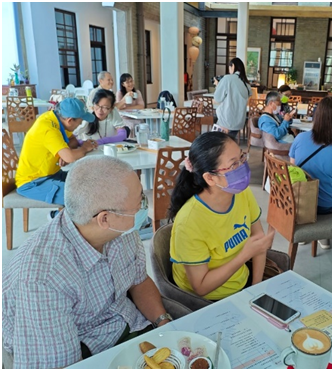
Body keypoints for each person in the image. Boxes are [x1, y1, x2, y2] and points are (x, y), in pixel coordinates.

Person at [2, 156, 192, 368]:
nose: (142, 208)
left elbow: (139, 280)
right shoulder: (43, 279)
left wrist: (163, 324)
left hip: (128, 323)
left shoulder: (121, 232)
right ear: (104, 219)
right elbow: (62, 364)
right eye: (139, 202)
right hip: (83, 348)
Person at [168, 132, 275, 301]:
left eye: (241, 158)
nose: (242, 167)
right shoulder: (190, 222)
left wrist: (255, 290)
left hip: (242, 282)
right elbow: (201, 287)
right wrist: (245, 255)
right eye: (233, 165)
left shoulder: (241, 192)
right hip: (208, 299)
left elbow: (258, 240)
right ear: (210, 178)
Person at [15, 98, 98, 214]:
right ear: (70, 120)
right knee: (81, 197)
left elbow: (72, 141)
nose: (79, 125)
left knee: (88, 181)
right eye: (80, 122)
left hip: (51, 174)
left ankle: (66, 217)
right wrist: (84, 148)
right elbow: (70, 157)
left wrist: (62, 153)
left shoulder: (57, 119)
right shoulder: (48, 128)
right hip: (33, 182)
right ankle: (56, 217)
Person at [289, 97, 332, 248]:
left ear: (317, 116)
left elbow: (294, 171)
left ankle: (309, 232)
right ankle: (323, 236)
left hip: (298, 202)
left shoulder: (300, 138)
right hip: (325, 206)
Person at [213, 57, 252, 138]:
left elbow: (217, 98)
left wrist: (218, 85)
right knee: (228, 143)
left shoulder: (228, 78)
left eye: (229, 68)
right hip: (239, 123)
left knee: (217, 144)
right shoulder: (246, 83)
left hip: (226, 121)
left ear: (233, 66)